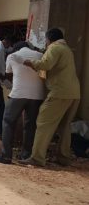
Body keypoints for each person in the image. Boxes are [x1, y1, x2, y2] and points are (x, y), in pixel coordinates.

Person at [20, 28, 80, 167]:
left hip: (60, 92)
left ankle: (37, 158)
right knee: (64, 126)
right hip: (74, 93)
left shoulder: (54, 47)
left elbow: (46, 65)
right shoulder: (67, 49)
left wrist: (30, 63)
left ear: (49, 39)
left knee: (43, 122)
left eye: (46, 40)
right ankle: (63, 157)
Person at [0, 41, 44, 164]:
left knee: (8, 121)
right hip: (37, 95)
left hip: (18, 94)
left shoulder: (12, 56)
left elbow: (8, 73)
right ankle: (26, 154)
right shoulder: (40, 55)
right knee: (30, 125)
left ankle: (6, 155)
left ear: (15, 49)